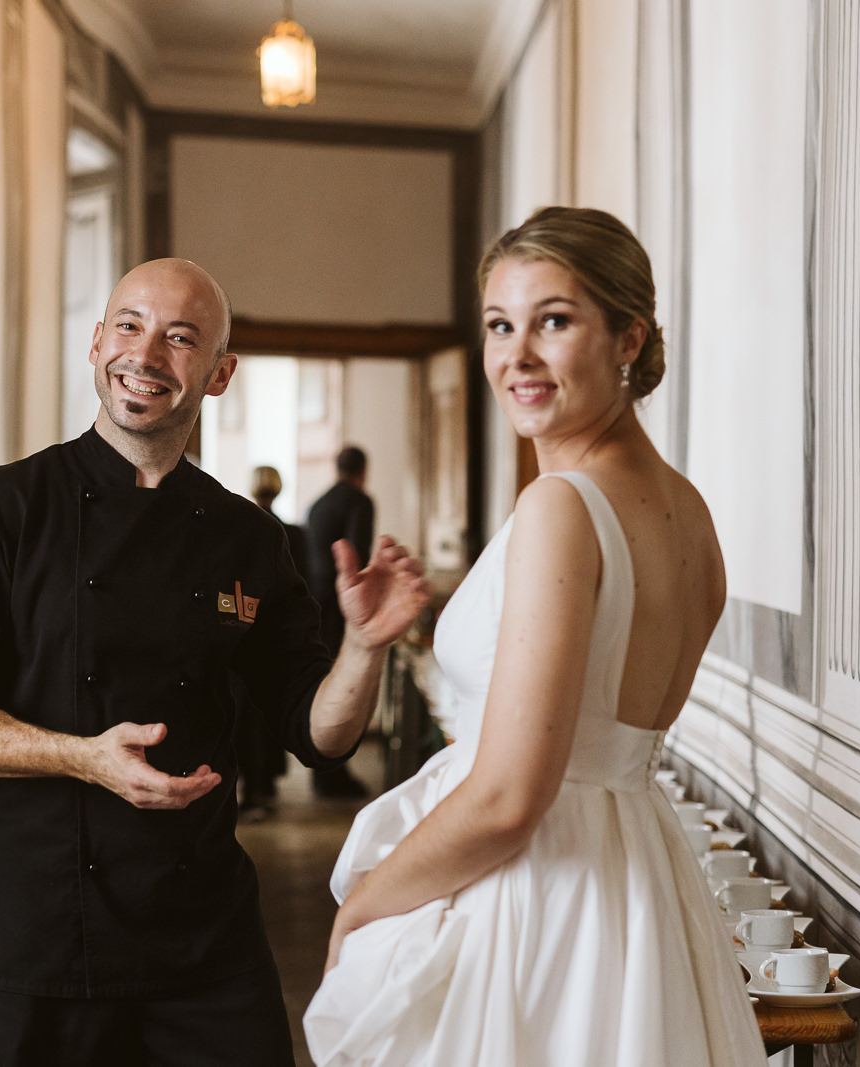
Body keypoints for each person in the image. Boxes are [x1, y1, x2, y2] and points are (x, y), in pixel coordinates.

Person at [0, 258, 429, 1067]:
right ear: (98, 341)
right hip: (32, 942)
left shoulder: (245, 537)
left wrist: (364, 645)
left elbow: (320, 732)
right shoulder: (4, 507)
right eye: (130, 326)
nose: (146, 355)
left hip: (201, 944)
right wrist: (83, 758)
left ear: (218, 373)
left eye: (181, 338)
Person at [304, 207, 765, 1065]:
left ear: (628, 337)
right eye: (498, 325)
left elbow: (513, 795)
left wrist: (366, 904)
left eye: (553, 321)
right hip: (634, 882)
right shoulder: (690, 514)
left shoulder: (562, 507)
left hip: (537, 899)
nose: (516, 356)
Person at [234, 465, 307, 819]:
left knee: (246, 719)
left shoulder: (239, 528)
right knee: (267, 715)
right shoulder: (293, 532)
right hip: (277, 638)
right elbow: (302, 591)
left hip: (242, 634)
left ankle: (252, 789)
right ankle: (266, 786)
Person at [304, 446, 376, 798]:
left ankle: (323, 771)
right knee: (345, 682)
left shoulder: (318, 504)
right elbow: (356, 555)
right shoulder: (359, 502)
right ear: (363, 470)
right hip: (342, 604)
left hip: (314, 601)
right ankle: (334, 773)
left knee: (325, 681)